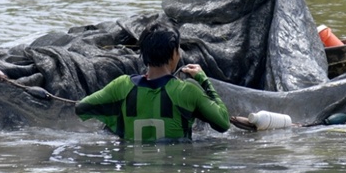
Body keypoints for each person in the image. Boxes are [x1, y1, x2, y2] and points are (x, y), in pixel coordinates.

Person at [75, 20, 230, 142]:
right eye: (178, 49)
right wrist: (203, 80)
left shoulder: (122, 85)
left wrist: (117, 115)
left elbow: (82, 107)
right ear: (173, 53)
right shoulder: (187, 91)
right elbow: (223, 123)